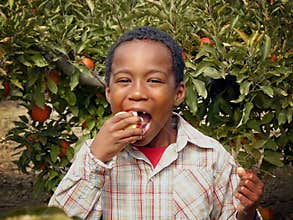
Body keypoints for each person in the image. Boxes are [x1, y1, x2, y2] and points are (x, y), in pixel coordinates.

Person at [49, 26, 264, 219]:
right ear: (108, 93)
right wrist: (97, 160)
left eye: (153, 80)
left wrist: (246, 213)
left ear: (178, 93)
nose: (137, 93)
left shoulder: (209, 157)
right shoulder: (94, 158)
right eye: (124, 80)